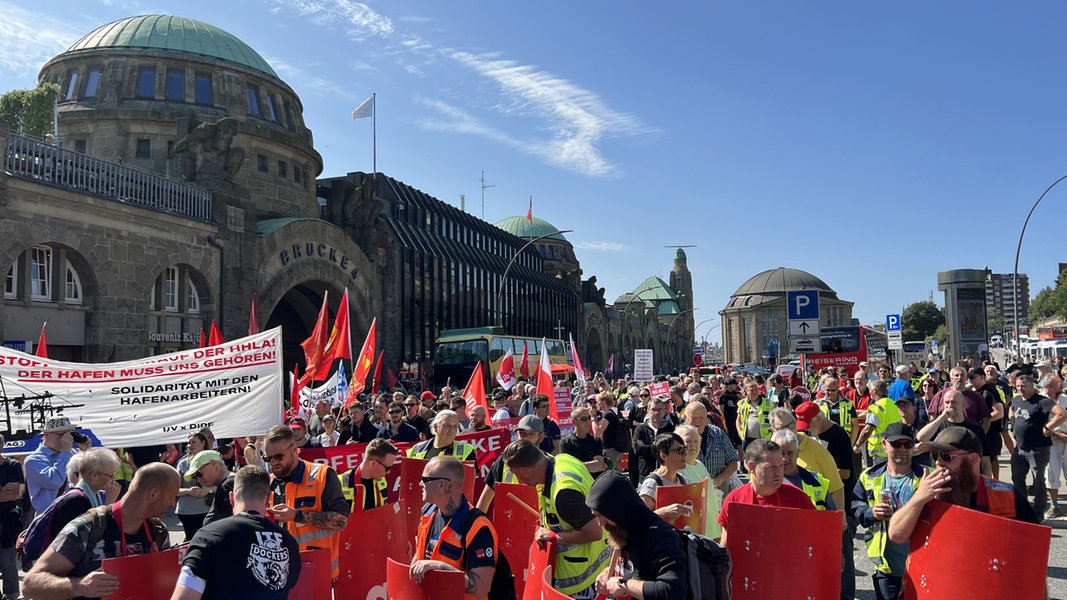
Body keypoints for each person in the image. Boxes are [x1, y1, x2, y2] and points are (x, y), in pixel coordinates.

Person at [22, 463, 178, 600]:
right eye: (171, 497)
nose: (173, 504)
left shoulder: (158, 531)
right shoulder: (87, 527)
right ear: (153, 494)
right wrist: (79, 586)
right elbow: (30, 585)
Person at [889, 427, 1040, 548]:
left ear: (973, 459)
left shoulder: (1008, 496)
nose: (938, 463)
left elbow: (1035, 549)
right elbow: (896, 535)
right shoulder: (929, 491)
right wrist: (918, 499)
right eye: (935, 456)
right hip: (942, 579)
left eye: (946, 456)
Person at [502, 440, 612, 599]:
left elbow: (595, 532)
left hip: (579, 580)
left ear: (524, 470)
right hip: (596, 565)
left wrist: (552, 536)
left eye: (517, 474)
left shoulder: (563, 493)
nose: (519, 480)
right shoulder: (562, 460)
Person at [171, 466, 301, 600]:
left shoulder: (209, 535)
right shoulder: (288, 541)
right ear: (268, 499)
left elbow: (185, 596)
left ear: (232, 498)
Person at [852, 423, 926, 600]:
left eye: (907, 445)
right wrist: (871, 512)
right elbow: (855, 505)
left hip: (921, 566)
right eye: (896, 444)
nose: (902, 449)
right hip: (887, 569)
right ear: (884, 445)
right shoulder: (869, 476)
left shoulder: (926, 476)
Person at [411, 456, 503, 600]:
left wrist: (439, 567)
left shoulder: (477, 527)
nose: (420, 483)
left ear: (444, 485)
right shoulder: (428, 514)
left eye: (425, 479)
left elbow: (481, 588)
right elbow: (420, 556)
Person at [263, 425, 348, 579]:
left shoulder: (322, 475)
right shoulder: (270, 484)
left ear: (294, 449)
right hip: (281, 573)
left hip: (316, 572)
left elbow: (341, 521)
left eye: (279, 457)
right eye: (268, 458)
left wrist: (297, 515)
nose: (273, 463)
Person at [586, 471, 687, 600]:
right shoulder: (621, 529)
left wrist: (623, 584)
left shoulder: (661, 537)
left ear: (618, 510)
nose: (600, 524)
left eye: (601, 515)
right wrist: (608, 573)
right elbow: (631, 569)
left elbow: (673, 591)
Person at [717, 439, 815, 547]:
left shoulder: (798, 499)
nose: (778, 473)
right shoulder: (735, 500)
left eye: (781, 466)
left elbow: (814, 542)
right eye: (771, 468)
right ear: (751, 467)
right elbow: (725, 547)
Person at [1008, 374, 1066, 519]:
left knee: (1039, 481)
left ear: (1031, 386)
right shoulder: (1016, 399)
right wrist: (1013, 422)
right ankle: (1022, 508)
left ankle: (1038, 512)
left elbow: (1061, 414)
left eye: (1023, 386)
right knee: (1017, 478)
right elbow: (1011, 409)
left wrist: (1048, 427)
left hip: (1038, 449)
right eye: (1018, 386)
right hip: (1020, 448)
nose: (1020, 389)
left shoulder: (1042, 401)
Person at [475, 416, 547, 513]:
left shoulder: (548, 462)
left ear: (541, 437)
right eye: (522, 434)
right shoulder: (503, 461)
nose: (525, 438)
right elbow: (485, 500)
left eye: (531, 434)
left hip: (540, 523)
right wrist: (477, 522)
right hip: (508, 521)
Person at [916, 389, 992, 476]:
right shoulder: (937, 426)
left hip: (968, 478)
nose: (950, 406)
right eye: (947, 402)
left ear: (963, 403)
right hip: (943, 476)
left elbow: (985, 462)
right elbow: (921, 438)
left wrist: (987, 484)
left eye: (954, 402)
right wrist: (941, 418)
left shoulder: (976, 429)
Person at [674, 424, 722, 539]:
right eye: (688, 441)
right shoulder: (677, 469)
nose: (693, 445)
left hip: (712, 533)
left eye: (696, 441)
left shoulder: (700, 465)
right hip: (695, 538)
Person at [684, 401, 741, 497]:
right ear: (685, 418)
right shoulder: (680, 437)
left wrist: (719, 479)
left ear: (707, 417)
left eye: (701, 418)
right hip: (691, 490)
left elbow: (733, 462)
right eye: (694, 418)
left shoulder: (718, 433)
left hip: (719, 489)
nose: (698, 422)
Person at [24, 417, 77, 518]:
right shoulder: (33, 460)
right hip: (50, 517)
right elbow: (55, 481)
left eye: (69, 434)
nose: (66, 439)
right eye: (61, 435)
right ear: (46, 434)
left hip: (73, 513)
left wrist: (86, 451)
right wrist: (65, 452)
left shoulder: (72, 453)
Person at [636, 433, 695, 522]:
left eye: (684, 449)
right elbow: (639, 518)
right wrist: (663, 512)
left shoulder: (683, 480)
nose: (685, 454)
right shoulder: (652, 484)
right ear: (663, 456)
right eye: (679, 450)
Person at [771, 429, 834, 510]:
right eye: (781, 453)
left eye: (790, 453)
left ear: (797, 453)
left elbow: (832, 516)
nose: (785, 458)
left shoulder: (816, 481)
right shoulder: (766, 482)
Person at [340, 438, 398, 511]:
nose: (389, 472)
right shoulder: (339, 483)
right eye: (387, 468)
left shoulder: (381, 481)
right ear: (373, 463)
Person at [854, 380, 903, 465]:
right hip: (896, 449)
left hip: (881, 453)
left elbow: (867, 431)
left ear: (874, 391)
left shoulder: (875, 408)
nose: (869, 392)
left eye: (870, 390)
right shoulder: (894, 404)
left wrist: (857, 445)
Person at [175, 433, 213, 541]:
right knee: (193, 541)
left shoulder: (212, 461)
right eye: (188, 443)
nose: (190, 445)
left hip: (208, 510)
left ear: (203, 443)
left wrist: (207, 491)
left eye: (193, 442)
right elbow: (174, 490)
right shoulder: (183, 464)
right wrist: (188, 491)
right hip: (187, 512)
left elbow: (220, 485)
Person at [0, 435, 23, 600]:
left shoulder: (12, 465)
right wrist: (4, 491)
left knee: (8, 561)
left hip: (7, 521)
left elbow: (14, 494)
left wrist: (6, 493)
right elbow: (7, 493)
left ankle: (12, 595)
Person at [631, 397, 674, 483]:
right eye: (653, 409)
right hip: (645, 475)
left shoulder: (671, 429)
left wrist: (646, 447)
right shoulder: (640, 429)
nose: (656, 413)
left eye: (659, 409)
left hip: (666, 475)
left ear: (664, 411)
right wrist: (661, 449)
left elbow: (672, 451)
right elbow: (637, 449)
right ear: (648, 411)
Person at [560, 404, 607, 478]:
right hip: (577, 485)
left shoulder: (595, 440)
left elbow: (599, 465)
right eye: (584, 419)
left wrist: (576, 466)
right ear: (574, 422)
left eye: (589, 418)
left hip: (593, 484)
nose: (588, 422)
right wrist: (591, 465)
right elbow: (567, 468)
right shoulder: (566, 443)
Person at [190, 451, 235, 527]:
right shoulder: (228, 483)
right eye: (195, 477)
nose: (198, 480)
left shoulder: (227, 486)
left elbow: (227, 524)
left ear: (213, 464)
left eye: (199, 474)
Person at [407, 410, 476, 461]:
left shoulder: (466, 450)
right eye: (447, 426)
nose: (452, 430)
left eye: (455, 426)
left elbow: (469, 479)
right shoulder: (417, 448)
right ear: (435, 427)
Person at [1046, 376, 1067, 518]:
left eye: (1057, 384)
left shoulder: (1065, 398)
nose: (1057, 386)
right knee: (1051, 472)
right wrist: (1056, 433)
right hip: (1051, 440)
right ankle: (1054, 506)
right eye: (1052, 384)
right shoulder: (1041, 399)